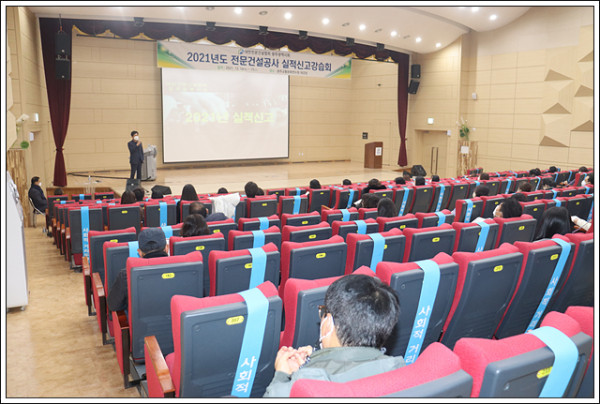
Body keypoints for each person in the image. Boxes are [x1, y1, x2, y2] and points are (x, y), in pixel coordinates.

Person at [263, 274, 403, 397]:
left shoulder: (302, 387)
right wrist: (317, 357)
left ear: (328, 322)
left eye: (323, 313)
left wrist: (281, 376)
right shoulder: (397, 370)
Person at [107, 228, 169, 312]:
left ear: (139, 252)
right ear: (167, 248)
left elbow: (113, 305)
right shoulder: (182, 268)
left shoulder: (126, 274)